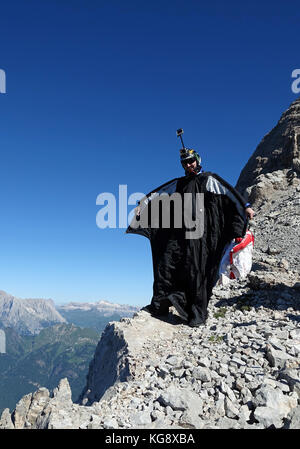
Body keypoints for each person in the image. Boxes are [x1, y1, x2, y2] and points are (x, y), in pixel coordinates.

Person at [127, 144, 254, 327]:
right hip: (179, 236)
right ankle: (160, 306)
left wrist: (245, 206)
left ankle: (196, 314)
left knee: (197, 270)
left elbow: (230, 193)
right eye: (185, 163)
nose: (188, 165)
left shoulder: (209, 179)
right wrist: (142, 204)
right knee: (167, 265)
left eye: (191, 161)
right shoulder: (178, 183)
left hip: (200, 238)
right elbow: (159, 193)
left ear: (198, 161)